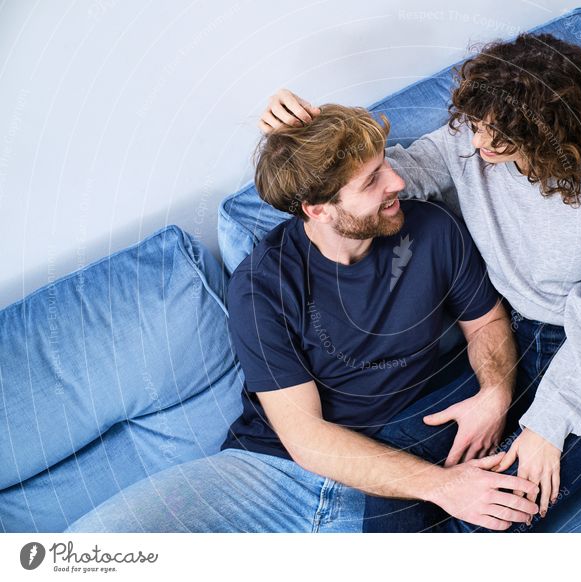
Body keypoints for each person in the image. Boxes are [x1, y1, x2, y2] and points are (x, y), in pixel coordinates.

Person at [65, 103, 541, 533]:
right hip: (273, 470)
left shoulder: (431, 229)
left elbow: (486, 324)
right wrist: (441, 487)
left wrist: (495, 392)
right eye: (372, 179)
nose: (396, 182)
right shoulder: (261, 288)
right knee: (93, 545)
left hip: (397, 455)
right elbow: (306, 437)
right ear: (318, 210)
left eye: (385, 166)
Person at [259, 32, 581, 532]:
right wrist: (313, 135)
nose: (476, 141)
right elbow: (375, 183)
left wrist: (546, 427)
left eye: (496, 134)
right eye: (475, 124)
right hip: (513, 335)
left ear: (545, 131)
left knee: (506, 502)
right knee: (389, 506)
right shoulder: (467, 148)